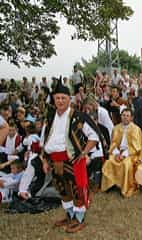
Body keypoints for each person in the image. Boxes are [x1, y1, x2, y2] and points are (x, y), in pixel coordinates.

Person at [40, 82, 101, 233]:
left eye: (63, 98)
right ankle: (69, 215)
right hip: (54, 159)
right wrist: (45, 160)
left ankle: (79, 219)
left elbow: (95, 135)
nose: (60, 101)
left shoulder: (79, 117)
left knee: (77, 190)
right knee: (62, 190)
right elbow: (45, 139)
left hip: (73, 159)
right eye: (57, 98)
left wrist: (84, 152)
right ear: (54, 99)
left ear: (69, 99)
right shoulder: (49, 117)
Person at [101, 109, 142, 197]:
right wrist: (116, 154)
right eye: (123, 115)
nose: (125, 117)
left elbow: (136, 147)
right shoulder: (116, 128)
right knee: (109, 162)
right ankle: (111, 183)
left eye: (127, 116)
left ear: (131, 118)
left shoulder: (136, 129)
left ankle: (124, 187)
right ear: (121, 116)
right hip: (117, 152)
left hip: (130, 154)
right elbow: (113, 143)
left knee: (126, 164)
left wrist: (123, 155)